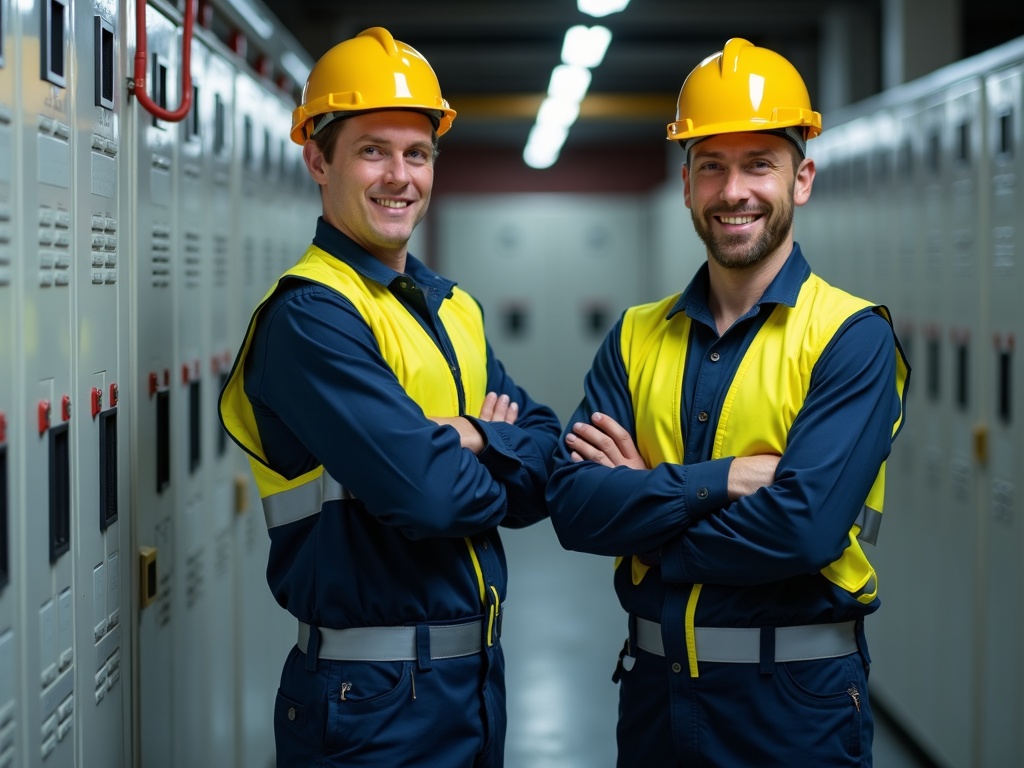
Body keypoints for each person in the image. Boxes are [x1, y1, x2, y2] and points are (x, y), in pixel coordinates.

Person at [545, 38, 910, 767]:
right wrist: (724, 482)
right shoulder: (636, 336)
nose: (733, 190)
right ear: (686, 184)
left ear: (801, 179)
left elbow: (802, 533)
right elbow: (575, 506)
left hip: (793, 709)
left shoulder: (849, 336)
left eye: (758, 165)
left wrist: (645, 523)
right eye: (711, 166)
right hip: (654, 696)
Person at [219, 27, 561, 767]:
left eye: (418, 153)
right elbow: (432, 499)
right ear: (318, 159)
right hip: (367, 702)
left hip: (470, 684)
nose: (399, 176)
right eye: (373, 150)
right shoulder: (311, 317)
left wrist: (469, 436)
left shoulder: (451, 308)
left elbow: (550, 466)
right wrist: (491, 448)